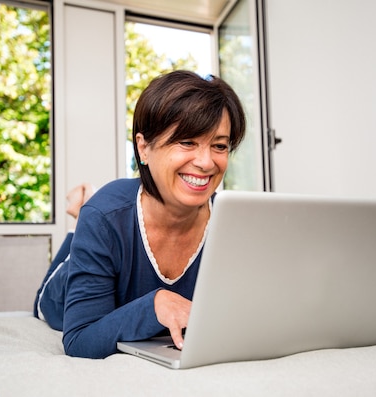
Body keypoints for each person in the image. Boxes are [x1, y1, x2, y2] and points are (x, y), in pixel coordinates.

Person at [34, 70, 246, 359]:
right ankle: (79, 222)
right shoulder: (104, 216)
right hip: (60, 289)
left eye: (219, 146)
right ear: (144, 148)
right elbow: (79, 339)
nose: (206, 162)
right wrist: (154, 305)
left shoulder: (231, 221)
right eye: (187, 142)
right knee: (91, 227)